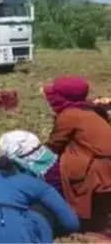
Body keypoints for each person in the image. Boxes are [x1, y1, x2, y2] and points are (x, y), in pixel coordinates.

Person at [43, 76, 111, 235]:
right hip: (104, 164)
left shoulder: (69, 115)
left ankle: (67, 219)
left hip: (93, 169)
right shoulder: (92, 110)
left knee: (50, 174)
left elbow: (54, 145)